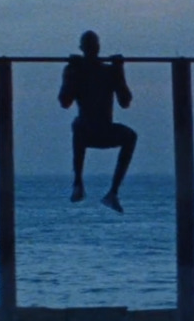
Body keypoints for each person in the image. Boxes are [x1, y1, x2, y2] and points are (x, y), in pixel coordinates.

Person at [58, 30, 137, 213]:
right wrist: (70, 74)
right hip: (86, 131)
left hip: (105, 130)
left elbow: (125, 102)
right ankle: (78, 182)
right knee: (78, 124)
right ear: (83, 49)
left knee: (130, 136)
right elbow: (65, 102)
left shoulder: (108, 71)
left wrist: (119, 72)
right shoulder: (76, 71)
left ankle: (113, 192)